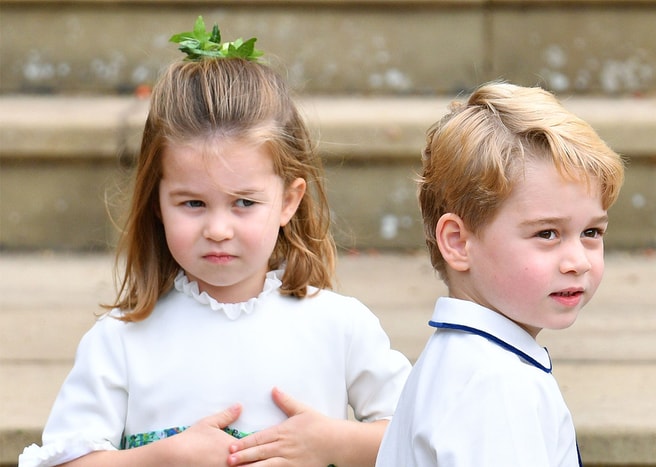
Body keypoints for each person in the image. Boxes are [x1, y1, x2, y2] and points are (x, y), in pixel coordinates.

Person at [19, 17, 410, 467]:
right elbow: (63, 460)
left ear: (288, 201)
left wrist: (335, 444)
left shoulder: (340, 327)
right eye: (192, 204)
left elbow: (422, 435)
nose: (218, 229)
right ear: (157, 203)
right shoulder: (121, 342)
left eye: (244, 202)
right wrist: (159, 459)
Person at [375, 82, 625, 466]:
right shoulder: (495, 385)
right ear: (458, 243)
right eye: (547, 233)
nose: (578, 260)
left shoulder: (468, 361)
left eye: (591, 232)